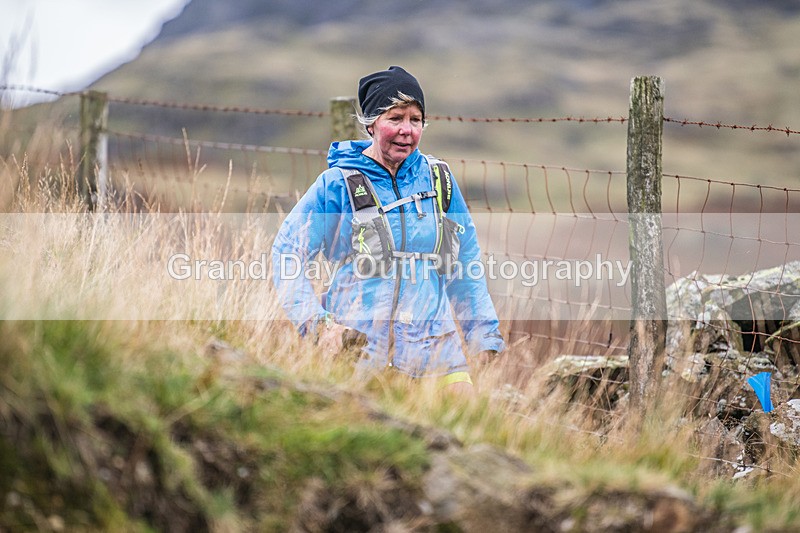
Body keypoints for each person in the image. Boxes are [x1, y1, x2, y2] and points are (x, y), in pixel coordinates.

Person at [271, 65, 505, 392]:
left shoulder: (439, 181)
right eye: (395, 118)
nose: (407, 130)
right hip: (357, 360)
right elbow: (287, 254)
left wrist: (483, 338)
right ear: (370, 124)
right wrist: (319, 327)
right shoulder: (337, 184)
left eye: (415, 119)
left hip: (438, 358)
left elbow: (464, 265)